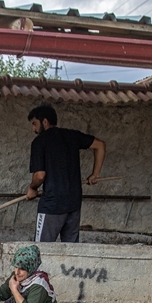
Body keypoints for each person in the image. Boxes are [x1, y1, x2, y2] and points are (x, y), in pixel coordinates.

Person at [25, 104, 106, 243]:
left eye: (34, 124)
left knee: (41, 250)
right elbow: (100, 145)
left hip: (52, 205)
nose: (33, 129)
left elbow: (40, 175)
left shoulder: (39, 142)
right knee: (71, 250)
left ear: (44, 121)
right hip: (73, 203)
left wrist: (32, 189)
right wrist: (95, 174)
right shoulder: (71, 135)